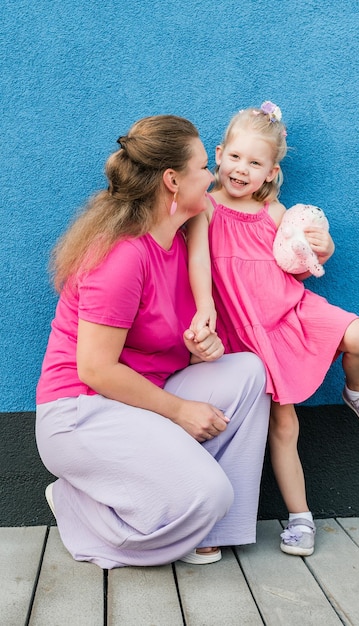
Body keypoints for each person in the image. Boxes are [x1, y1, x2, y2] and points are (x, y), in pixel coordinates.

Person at [35, 114, 271, 570]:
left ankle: (209, 532)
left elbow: (154, 340)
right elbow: (96, 370)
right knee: (210, 493)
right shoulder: (122, 257)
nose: (215, 176)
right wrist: (181, 411)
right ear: (172, 181)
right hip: (82, 412)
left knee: (249, 373)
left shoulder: (178, 240)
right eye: (205, 167)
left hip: (140, 401)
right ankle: (78, 508)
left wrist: (202, 346)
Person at [187, 101, 359, 557]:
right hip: (243, 333)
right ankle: (300, 517)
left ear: (271, 171)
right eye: (236, 157)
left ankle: (358, 393)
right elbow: (196, 260)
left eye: (255, 163)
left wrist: (324, 247)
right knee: (283, 423)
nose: (243, 169)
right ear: (218, 153)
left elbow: (300, 262)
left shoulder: (275, 213)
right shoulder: (203, 208)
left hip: (289, 316)